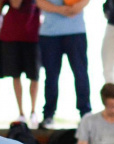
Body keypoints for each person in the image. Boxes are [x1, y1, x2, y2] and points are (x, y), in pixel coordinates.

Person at [37, 0, 89, 129]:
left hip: (76, 32)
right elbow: (39, 2)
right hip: (50, 33)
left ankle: (85, 114)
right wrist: (59, 9)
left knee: (81, 74)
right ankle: (48, 115)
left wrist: (76, 7)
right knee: (51, 76)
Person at [0, 0, 41, 125]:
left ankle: (33, 112)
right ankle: (21, 113)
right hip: (12, 35)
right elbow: (15, 4)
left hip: (33, 35)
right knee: (15, 75)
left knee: (34, 76)